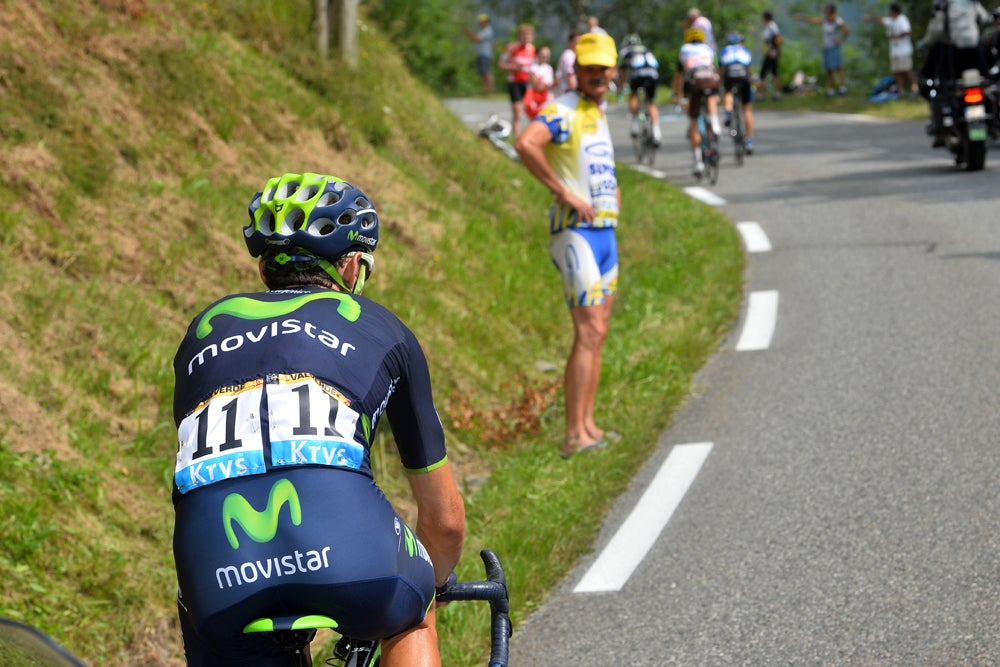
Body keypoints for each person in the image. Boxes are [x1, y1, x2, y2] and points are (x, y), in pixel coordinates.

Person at [171, 172, 466, 666]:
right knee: (410, 611)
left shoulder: (201, 332)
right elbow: (446, 521)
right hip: (350, 554)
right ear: (352, 267)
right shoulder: (382, 327)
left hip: (218, 571)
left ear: (264, 271)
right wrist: (431, 583)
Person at [513, 33, 622, 459]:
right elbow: (526, 143)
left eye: (603, 67)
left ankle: (589, 426)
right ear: (576, 70)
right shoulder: (563, 108)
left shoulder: (597, 110)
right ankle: (574, 436)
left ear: (612, 70)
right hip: (576, 232)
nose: (597, 75)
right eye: (589, 67)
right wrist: (563, 192)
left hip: (605, 233)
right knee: (589, 330)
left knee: (599, 331)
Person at [674, 27, 721, 177]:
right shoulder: (708, 48)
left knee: (693, 122)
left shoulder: (684, 49)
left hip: (694, 81)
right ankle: (714, 123)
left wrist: (678, 94)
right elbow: (714, 66)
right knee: (711, 97)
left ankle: (698, 163)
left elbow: (680, 76)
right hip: (711, 78)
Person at [795, 4, 850, 96]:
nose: (824, 10)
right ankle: (831, 89)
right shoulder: (824, 20)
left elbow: (846, 31)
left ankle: (842, 88)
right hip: (826, 47)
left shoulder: (837, 20)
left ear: (830, 10)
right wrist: (802, 17)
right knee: (828, 68)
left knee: (838, 67)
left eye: (826, 9)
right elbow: (813, 20)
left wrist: (839, 40)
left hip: (834, 47)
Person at [617, 33, 662, 145]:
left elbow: (621, 73)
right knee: (651, 102)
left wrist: (620, 87)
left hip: (637, 75)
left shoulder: (625, 51)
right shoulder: (646, 49)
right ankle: (657, 132)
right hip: (653, 75)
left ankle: (635, 124)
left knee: (633, 95)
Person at [864, 4, 917, 97]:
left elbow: (907, 31)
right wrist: (871, 18)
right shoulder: (892, 21)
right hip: (894, 52)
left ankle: (915, 89)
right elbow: (882, 20)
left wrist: (895, 36)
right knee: (897, 72)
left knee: (907, 71)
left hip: (903, 51)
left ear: (894, 11)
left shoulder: (902, 19)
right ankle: (901, 92)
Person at [719, 32, 755, 154]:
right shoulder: (745, 50)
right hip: (743, 75)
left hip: (729, 74)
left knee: (728, 93)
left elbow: (721, 70)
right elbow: (749, 69)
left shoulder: (724, 50)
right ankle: (749, 141)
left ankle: (728, 114)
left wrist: (720, 85)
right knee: (747, 109)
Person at [499, 23, 536, 136]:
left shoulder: (532, 49)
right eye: (524, 35)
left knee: (531, 110)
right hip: (514, 82)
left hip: (527, 83)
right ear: (519, 35)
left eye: (529, 35)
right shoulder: (512, 47)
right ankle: (516, 137)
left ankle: (531, 136)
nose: (526, 38)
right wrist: (512, 67)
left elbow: (534, 68)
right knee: (517, 111)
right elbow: (501, 64)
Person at [462, 13, 495, 95]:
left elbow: (476, 39)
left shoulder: (488, 30)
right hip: (480, 54)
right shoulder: (483, 31)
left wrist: (468, 33)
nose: (480, 23)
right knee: (482, 72)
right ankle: (485, 89)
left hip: (485, 54)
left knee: (486, 71)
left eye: (481, 22)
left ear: (486, 22)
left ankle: (490, 88)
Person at [524, 46, 555, 119]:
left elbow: (550, 83)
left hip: (546, 97)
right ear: (537, 55)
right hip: (535, 98)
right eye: (543, 55)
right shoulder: (533, 67)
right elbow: (537, 86)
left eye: (547, 56)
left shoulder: (549, 68)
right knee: (536, 119)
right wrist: (548, 86)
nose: (545, 58)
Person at [759, 10, 784, 100]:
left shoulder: (773, 27)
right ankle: (762, 94)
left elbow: (779, 38)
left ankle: (777, 93)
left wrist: (775, 51)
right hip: (768, 53)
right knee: (764, 73)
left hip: (772, 54)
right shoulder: (768, 27)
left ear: (765, 18)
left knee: (773, 73)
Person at [554, 30, 580, 95]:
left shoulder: (574, 55)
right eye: (576, 42)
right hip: (566, 92)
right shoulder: (568, 55)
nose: (579, 44)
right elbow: (570, 76)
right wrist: (576, 93)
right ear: (570, 42)